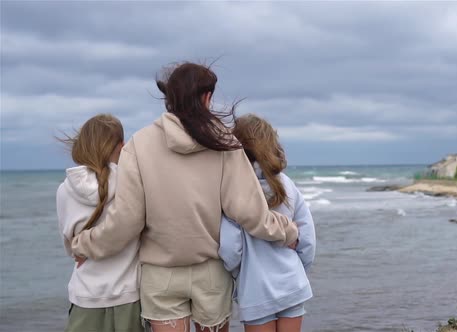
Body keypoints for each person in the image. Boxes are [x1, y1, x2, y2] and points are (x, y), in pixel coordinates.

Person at [70, 63, 299, 332]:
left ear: (170, 98)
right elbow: (250, 213)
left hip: (160, 275)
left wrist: (85, 245)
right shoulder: (224, 143)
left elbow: (127, 221)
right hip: (211, 274)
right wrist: (288, 231)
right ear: (206, 97)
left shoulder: (139, 144)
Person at [219, 114, 316, 332]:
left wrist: (239, 273)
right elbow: (307, 239)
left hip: (256, 288)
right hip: (292, 282)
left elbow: (230, 248)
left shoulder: (234, 189)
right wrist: (299, 270)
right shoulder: (287, 184)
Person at [56, 114, 142, 332]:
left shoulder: (65, 190)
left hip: (85, 296)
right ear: (121, 146)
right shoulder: (132, 183)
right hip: (129, 296)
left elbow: (71, 248)